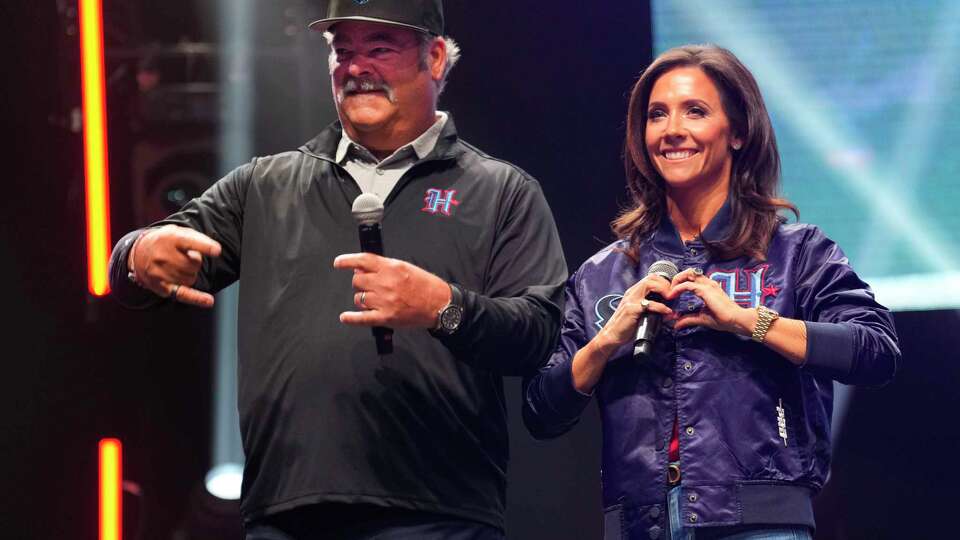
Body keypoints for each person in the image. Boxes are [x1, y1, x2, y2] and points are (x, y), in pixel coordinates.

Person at [108, 1, 567, 538]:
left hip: (438, 513)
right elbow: (137, 267)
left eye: (379, 48)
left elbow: (539, 335)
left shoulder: (501, 191)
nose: (357, 67)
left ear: (436, 57)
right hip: (287, 511)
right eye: (342, 50)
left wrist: (444, 307)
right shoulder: (265, 185)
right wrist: (140, 256)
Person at [523, 44, 900, 540]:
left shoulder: (795, 253)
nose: (672, 129)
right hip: (639, 526)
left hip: (759, 523)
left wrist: (749, 322)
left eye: (695, 111)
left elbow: (876, 351)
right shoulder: (604, 273)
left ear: (738, 132)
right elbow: (540, 412)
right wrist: (604, 343)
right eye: (657, 115)